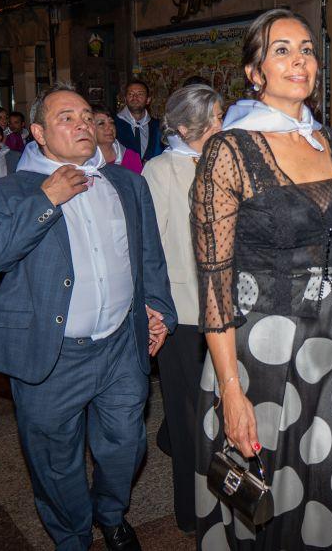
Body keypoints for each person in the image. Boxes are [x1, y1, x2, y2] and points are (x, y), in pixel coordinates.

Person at [192, 9, 332, 548]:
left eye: (306, 49)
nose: (299, 60)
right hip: (262, 347)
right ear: (254, 71)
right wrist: (230, 391)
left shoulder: (331, 142)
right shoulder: (229, 150)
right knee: (269, 492)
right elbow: (214, 283)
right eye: (281, 50)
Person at [0, 83, 173, 551]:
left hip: (121, 346)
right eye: (66, 117)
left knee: (126, 444)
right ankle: (72, 536)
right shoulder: (12, 189)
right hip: (53, 355)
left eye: (86, 116)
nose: (82, 124)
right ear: (38, 133)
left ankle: (111, 513)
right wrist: (47, 199)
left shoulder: (126, 183)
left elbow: (148, 257)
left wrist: (157, 309)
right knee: (55, 461)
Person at [142, 83, 223, 535]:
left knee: (216, 404)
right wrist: (154, 307)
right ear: (196, 125)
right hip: (184, 309)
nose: (223, 123)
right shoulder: (160, 170)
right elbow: (150, 245)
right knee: (189, 411)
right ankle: (193, 512)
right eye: (218, 116)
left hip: (226, 304)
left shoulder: (223, 161)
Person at [114, 80, 164, 161]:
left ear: (148, 100)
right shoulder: (113, 125)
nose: (134, 97)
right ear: (125, 99)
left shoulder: (158, 126)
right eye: (130, 94)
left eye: (140, 94)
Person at [93, 108, 143, 174]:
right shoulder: (84, 159)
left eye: (111, 122)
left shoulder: (131, 157)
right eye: (101, 123)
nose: (110, 127)